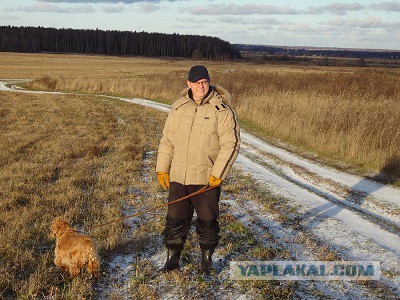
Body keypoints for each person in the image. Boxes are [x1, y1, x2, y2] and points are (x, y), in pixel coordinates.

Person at [156, 65, 240, 274]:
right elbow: (167, 141)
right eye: (196, 82)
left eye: (204, 82)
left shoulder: (222, 110)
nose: (201, 86)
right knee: (174, 220)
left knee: (207, 222)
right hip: (178, 177)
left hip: (206, 178)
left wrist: (218, 174)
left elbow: (231, 144)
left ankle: (207, 260)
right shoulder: (178, 107)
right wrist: (162, 169)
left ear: (209, 82)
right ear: (189, 84)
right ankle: (173, 259)